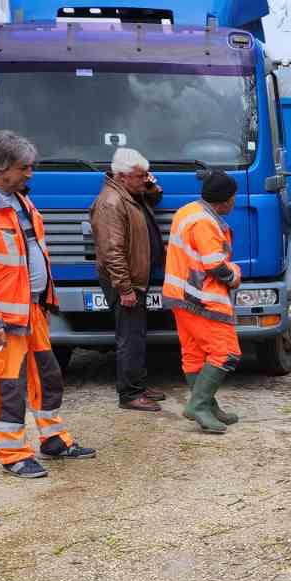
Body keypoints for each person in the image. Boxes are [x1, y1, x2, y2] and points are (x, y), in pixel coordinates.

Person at [0, 131, 97, 478]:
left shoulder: (16, 198)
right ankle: (13, 452)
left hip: (31, 308)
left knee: (46, 376)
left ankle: (53, 438)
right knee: (8, 384)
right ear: (1, 168)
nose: (30, 173)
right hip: (1, 316)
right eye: (24, 168)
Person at [164, 171, 242, 434]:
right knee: (226, 352)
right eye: (234, 197)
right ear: (225, 200)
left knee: (195, 353)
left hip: (180, 295)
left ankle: (207, 405)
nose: (235, 202)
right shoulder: (205, 222)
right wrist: (234, 276)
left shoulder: (187, 211)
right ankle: (198, 405)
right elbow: (214, 264)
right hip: (202, 298)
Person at [90, 148, 165, 412]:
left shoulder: (130, 193)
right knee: (129, 338)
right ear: (121, 176)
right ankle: (130, 394)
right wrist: (124, 288)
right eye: (139, 176)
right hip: (126, 282)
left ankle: (139, 385)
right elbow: (112, 251)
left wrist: (151, 186)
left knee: (137, 334)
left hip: (135, 279)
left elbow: (152, 198)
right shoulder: (111, 203)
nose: (145, 179)